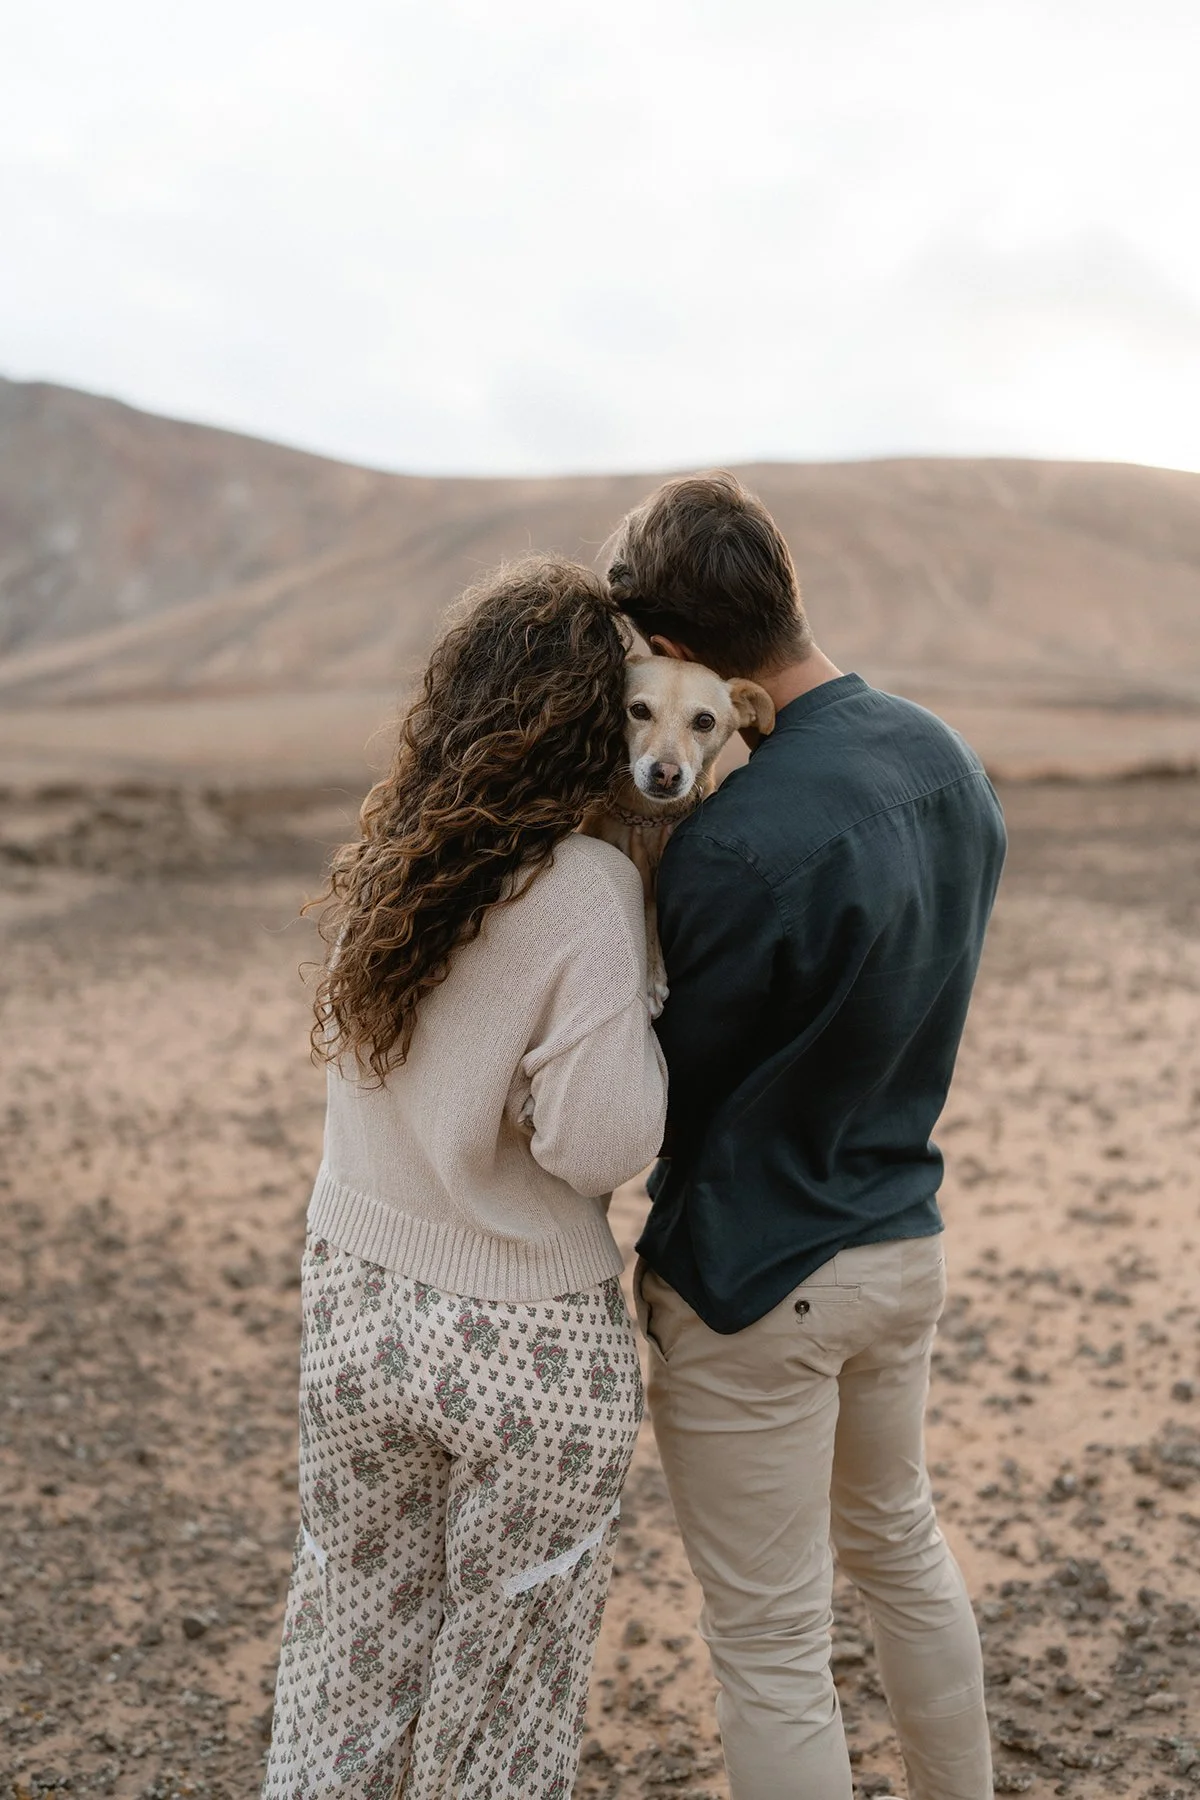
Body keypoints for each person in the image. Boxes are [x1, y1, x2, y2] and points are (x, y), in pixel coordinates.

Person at [606, 473, 1005, 1800]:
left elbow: (659, 1096)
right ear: (781, 583)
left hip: (752, 1283)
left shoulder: (731, 843)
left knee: (772, 1644)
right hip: (901, 1244)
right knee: (901, 1543)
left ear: (671, 651)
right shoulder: (950, 761)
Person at [262, 557, 667, 1799]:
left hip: (358, 1312)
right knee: (498, 1702)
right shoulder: (589, 887)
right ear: (590, 724)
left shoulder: (393, 852)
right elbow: (603, 1145)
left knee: (346, 1648)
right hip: (525, 1342)